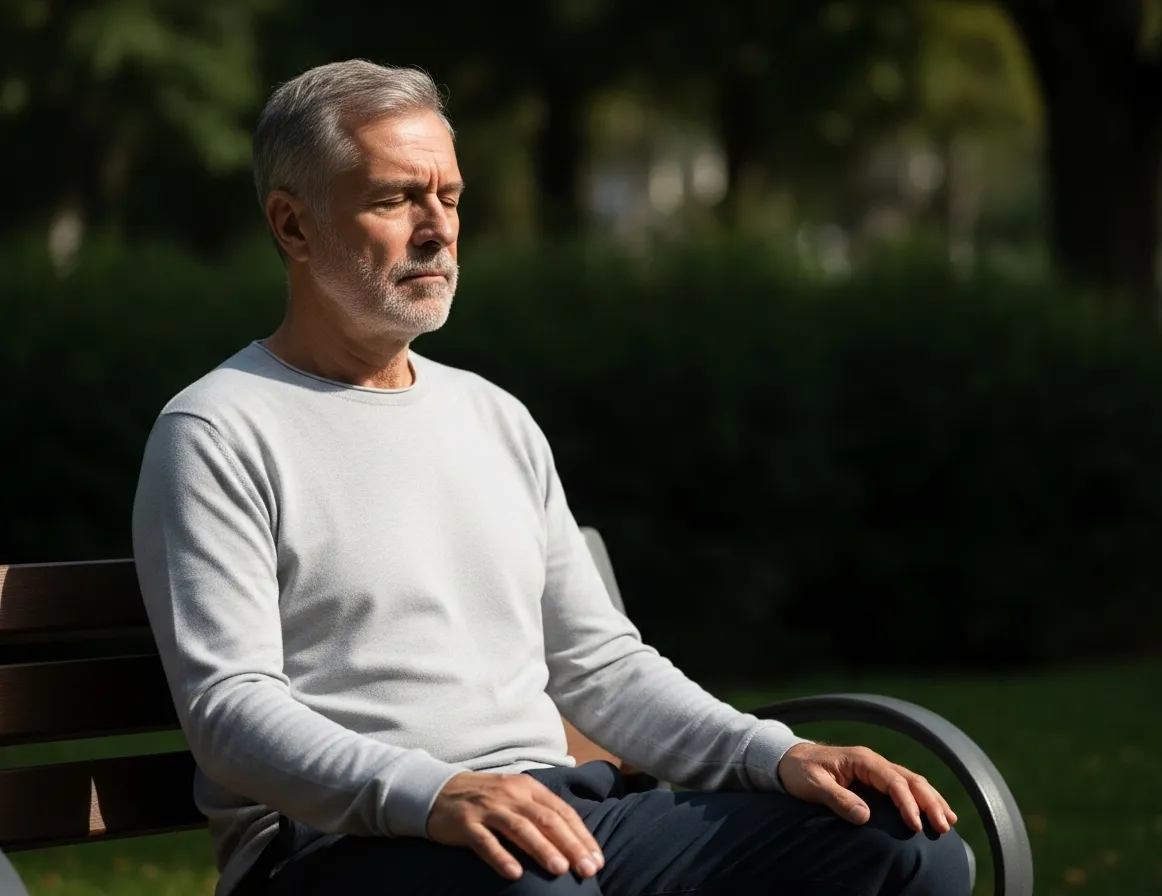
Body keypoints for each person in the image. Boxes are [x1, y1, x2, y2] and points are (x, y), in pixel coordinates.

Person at [132, 59, 972, 896]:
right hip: (340, 849)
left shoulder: (493, 416)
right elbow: (230, 711)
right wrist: (434, 794)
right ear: (293, 225)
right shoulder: (220, 430)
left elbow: (598, 667)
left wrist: (775, 754)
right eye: (395, 198)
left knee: (902, 847)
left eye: (450, 198)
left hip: (562, 817)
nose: (438, 228)